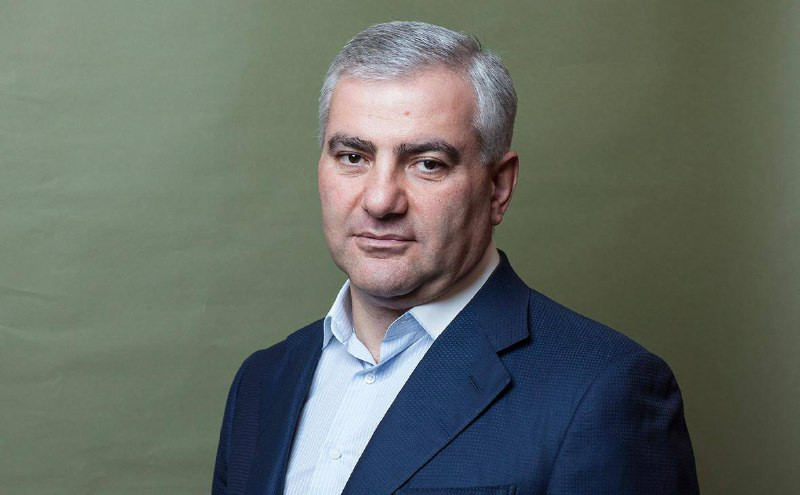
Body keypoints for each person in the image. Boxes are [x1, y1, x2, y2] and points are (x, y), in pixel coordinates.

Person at [211, 21, 699, 495]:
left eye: (427, 164)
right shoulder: (262, 382)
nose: (380, 201)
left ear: (498, 187)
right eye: (353, 157)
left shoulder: (604, 389)